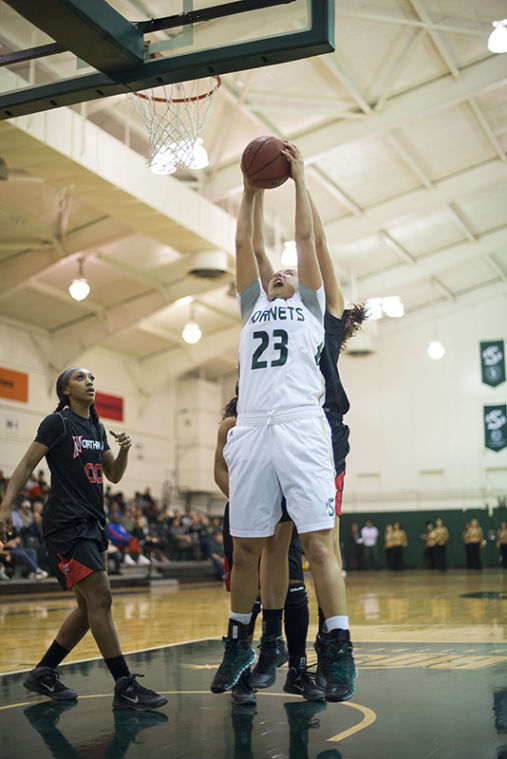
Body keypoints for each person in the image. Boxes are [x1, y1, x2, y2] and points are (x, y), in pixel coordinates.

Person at [210, 143, 357, 704]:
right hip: (252, 427)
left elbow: (304, 242)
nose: (284, 273)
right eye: (278, 274)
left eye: (292, 274)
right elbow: (246, 244)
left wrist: (298, 179)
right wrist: (249, 192)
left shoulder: (315, 309)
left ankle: (338, 650)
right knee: (250, 548)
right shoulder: (252, 306)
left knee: (319, 544)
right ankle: (239, 641)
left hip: (299, 425)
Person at [0, 366, 167, 711]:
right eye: (80, 378)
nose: (90, 381)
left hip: (92, 524)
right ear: (65, 391)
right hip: (65, 524)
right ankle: (125, 685)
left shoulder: (95, 426)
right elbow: (27, 464)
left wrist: (123, 451)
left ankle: (43, 672)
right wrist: (5, 507)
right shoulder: (57, 423)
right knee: (101, 598)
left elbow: (114, 475)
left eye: (92, 377)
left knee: (86, 605)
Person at [214, 388, 325, 706]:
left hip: (283, 515)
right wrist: (249, 501)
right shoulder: (231, 426)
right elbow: (219, 471)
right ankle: (243, 676)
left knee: (294, 593)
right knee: (249, 598)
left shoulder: (285, 422)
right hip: (244, 516)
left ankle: (298, 672)